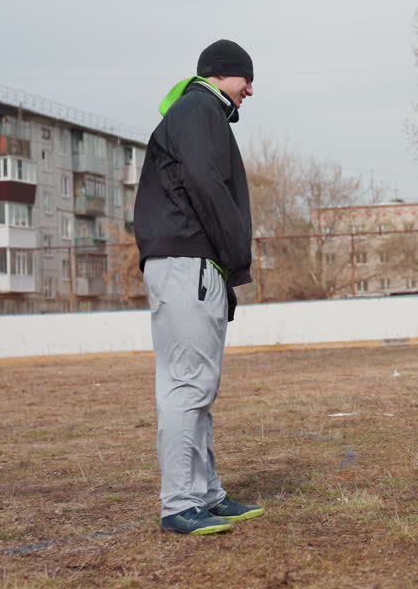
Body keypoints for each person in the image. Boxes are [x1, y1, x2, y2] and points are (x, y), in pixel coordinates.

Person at [133, 39, 262, 535]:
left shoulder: (196, 111)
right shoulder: (199, 109)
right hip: (190, 260)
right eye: (245, 77)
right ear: (222, 74)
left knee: (196, 383)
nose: (251, 88)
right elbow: (207, 184)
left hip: (188, 262)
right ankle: (180, 502)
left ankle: (206, 494)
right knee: (188, 382)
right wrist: (234, 254)